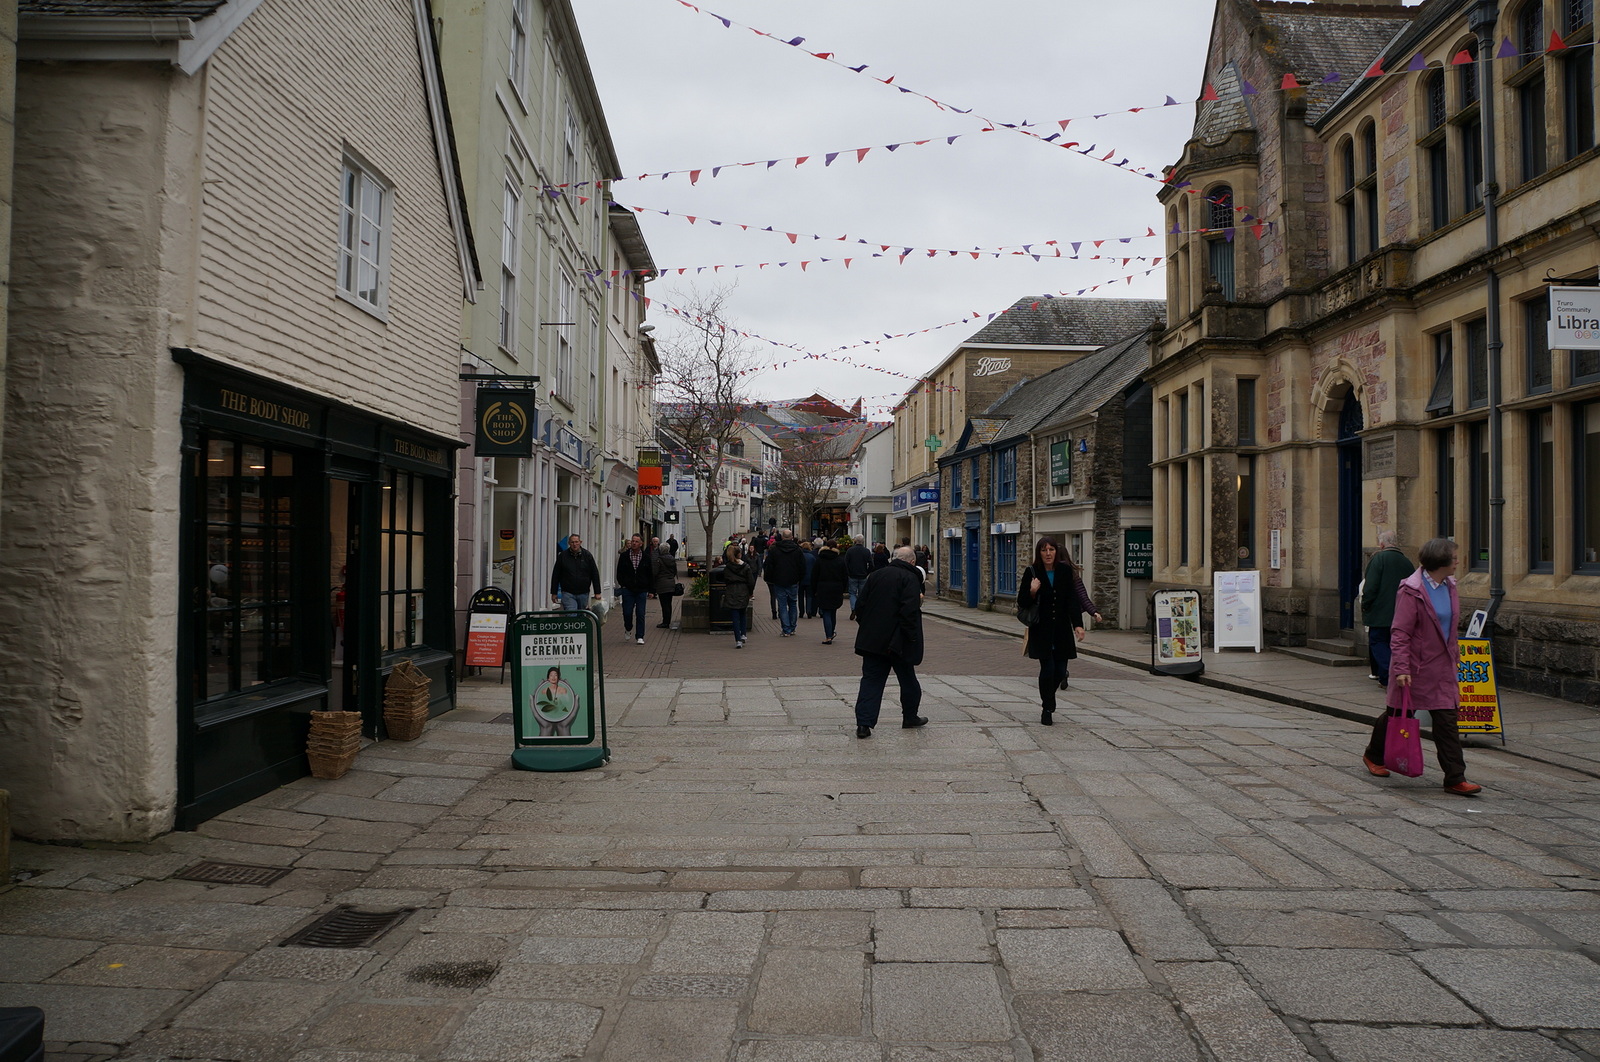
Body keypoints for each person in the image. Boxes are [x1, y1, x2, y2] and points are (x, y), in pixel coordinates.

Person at [1362, 537, 1482, 795]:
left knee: (1447, 720)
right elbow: (1400, 632)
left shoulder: (1450, 585)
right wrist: (1402, 667)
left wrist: (1454, 648)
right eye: (1454, 557)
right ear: (1441, 561)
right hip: (1414, 667)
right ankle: (1373, 755)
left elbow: (1448, 624)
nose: (1458, 561)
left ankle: (1455, 777)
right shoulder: (1411, 590)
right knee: (1398, 714)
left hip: (1441, 665)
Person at [1016, 537, 1101, 726]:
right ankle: (1047, 708)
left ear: (1056, 552)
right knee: (1048, 669)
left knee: (1061, 670)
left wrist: (1077, 625)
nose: (1048, 553)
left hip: (1062, 629)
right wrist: (1032, 591)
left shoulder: (1064, 571)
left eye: (1051, 550)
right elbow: (1022, 602)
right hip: (1042, 629)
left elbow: (1072, 600)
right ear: (1039, 553)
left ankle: (1048, 697)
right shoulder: (1032, 572)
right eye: (1044, 550)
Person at [852, 546, 927, 737]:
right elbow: (908, 611)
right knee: (908, 679)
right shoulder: (910, 578)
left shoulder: (876, 576)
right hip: (898, 640)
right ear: (912, 562)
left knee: (871, 680)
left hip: (873, 639)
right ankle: (910, 716)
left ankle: (864, 724)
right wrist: (911, 637)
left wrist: (868, 625)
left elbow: (860, 605)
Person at [1361, 530, 1415, 687]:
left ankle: (1388, 677)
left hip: (1380, 614)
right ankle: (1396, 674)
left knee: (1378, 642)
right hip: (1402, 613)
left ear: (1382, 544)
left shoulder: (1379, 559)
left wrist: (1366, 605)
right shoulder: (1406, 562)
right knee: (1396, 645)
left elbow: (1370, 587)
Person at [763, 528, 806, 636]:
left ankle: (786, 629)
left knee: (782, 605)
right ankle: (792, 627)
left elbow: (769, 565)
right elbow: (802, 567)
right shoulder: (797, 550)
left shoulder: (774, 550)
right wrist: (799, 578)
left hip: (779, 580)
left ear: (782, 537)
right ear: (791, 537)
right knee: (792, 604)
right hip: (793, 581)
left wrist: (770, 579)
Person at [614, 534, 653, 645]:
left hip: (641, 589)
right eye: (633, 541)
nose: (634, 543)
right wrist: (623, 584)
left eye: (636, 541)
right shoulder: (624, 556)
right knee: (627, 612)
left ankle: (640, 636)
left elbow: (650, 574)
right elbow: (619, 572)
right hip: (628, 589)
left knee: (640, 613)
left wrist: (651, 590)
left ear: (641, 544)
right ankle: (628, 627)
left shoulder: (646, 557)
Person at [550, 533, 602, 612]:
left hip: (583, 592)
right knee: (571, 614)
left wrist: (597, 592)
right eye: (572, 542)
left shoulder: (587, 556)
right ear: (569, 543)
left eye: (576, 542)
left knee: (581, 616)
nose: (575, 544)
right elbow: (556, 574)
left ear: (580, 542)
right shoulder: (563, 556)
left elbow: (594, 574)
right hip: (568, 592)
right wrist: (554, 592)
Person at [720, 541, 758, 648]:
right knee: (743, 613)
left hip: (732, 591)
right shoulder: (745, 567)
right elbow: (751, 581)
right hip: (743, 591)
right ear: (739, 554)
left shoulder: (727, 567)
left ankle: (738, 640)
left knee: (735, 617)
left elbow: (726, 580)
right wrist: (750, 592)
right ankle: (743, 634)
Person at [811, 539, 848, 645]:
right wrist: (843, 589)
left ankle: (828, 635)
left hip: (823, 588)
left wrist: (814, 590)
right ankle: (831, 632)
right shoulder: (840, 560)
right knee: (833, 611)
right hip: (836, 588)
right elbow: (845, 576)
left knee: (826, 612)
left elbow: (814, 576)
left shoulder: (820, 559)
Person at [534, 666, 578, 736]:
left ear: (559, 678)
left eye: (556, 675)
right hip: (548, 715)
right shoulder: (544, 691)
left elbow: (566, 703)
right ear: (548, 678)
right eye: (551, 675)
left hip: (561, 714)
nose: (553, 677)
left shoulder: (564, 690)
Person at [652, 536, 679, 629]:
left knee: (664, 604)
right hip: (671, 583)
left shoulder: (659, 560)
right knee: (669, 603)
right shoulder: (672, 559)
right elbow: (675, 571)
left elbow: (655, 572)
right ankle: (668, 621)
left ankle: (665, 622)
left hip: (662, 584)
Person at [844, 534, 873, 614]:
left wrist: (848, 572)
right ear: (863, 541)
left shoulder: (850, 550)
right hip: (863, 575)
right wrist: (867, 572)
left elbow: (846, 563)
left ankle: (853, 608)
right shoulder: (866, 551)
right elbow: (871, 564)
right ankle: (859, 609)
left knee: (852, 593)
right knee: (861, 594)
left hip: (852, 575)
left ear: (855, 541)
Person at [799, 540, 817, 619]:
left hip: (801, 579)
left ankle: (801, 612)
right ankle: (809, 611)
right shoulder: (812, 557)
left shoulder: (799, 556)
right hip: (810, 579)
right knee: (809, 596)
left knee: (800, 596)